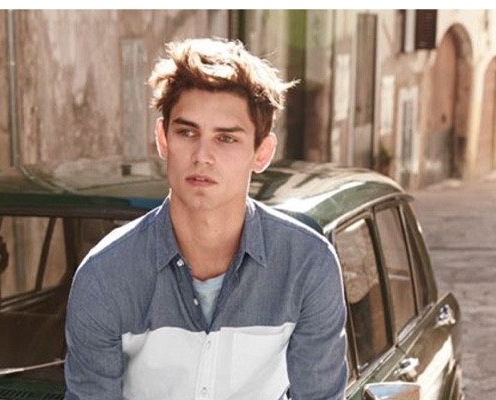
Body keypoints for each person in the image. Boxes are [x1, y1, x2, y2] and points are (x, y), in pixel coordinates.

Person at [64, 37, 347, 400]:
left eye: (226, 139)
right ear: (163, 139)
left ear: (262, 153)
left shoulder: (307, 264)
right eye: (187, 132)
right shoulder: (105, 275)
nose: (202, 156)